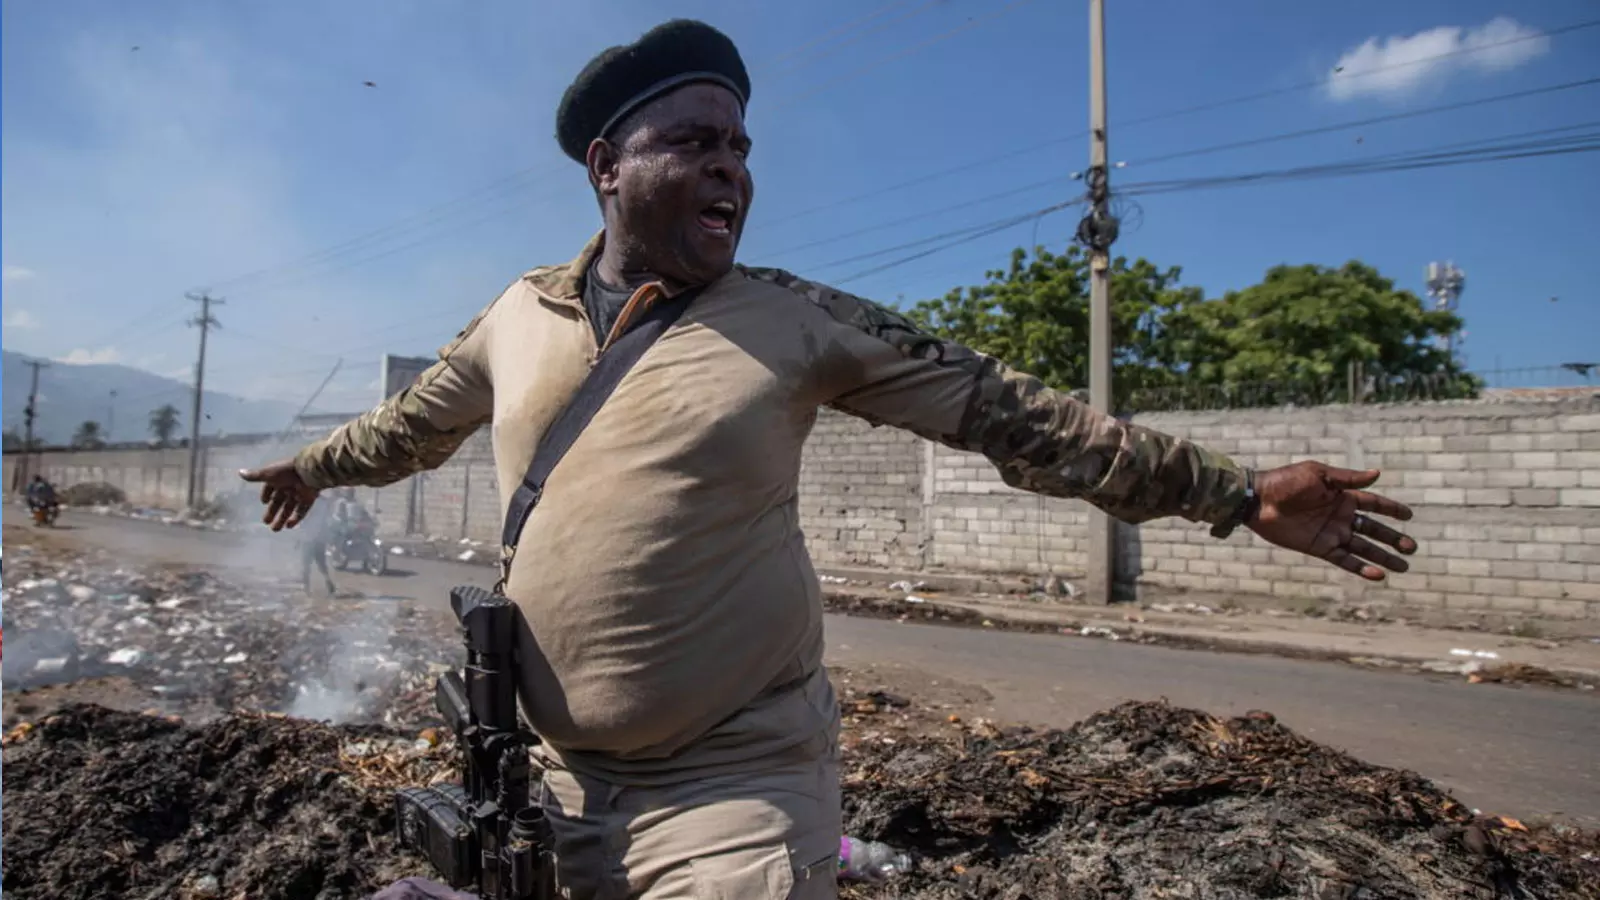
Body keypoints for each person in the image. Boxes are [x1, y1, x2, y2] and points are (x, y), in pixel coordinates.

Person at [241, 19, 1418, 900]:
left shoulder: (798, 323)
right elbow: (410, 426)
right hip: (544, 783)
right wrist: (313, 468)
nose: (732, 170)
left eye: (742, 149)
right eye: (694, 142)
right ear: (607, 165)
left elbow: (1018, 417)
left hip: (731, 782)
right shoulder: (516, 317)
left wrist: (1237, 493)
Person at [297, 494, 339, 596]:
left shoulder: (309, 500)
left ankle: (307, 588)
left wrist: (298, 538)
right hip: (316, 538)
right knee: (319, 564)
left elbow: (302, 520)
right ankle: (326, 582)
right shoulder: (323, 502)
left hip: (310, 538)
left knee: (307, 565)